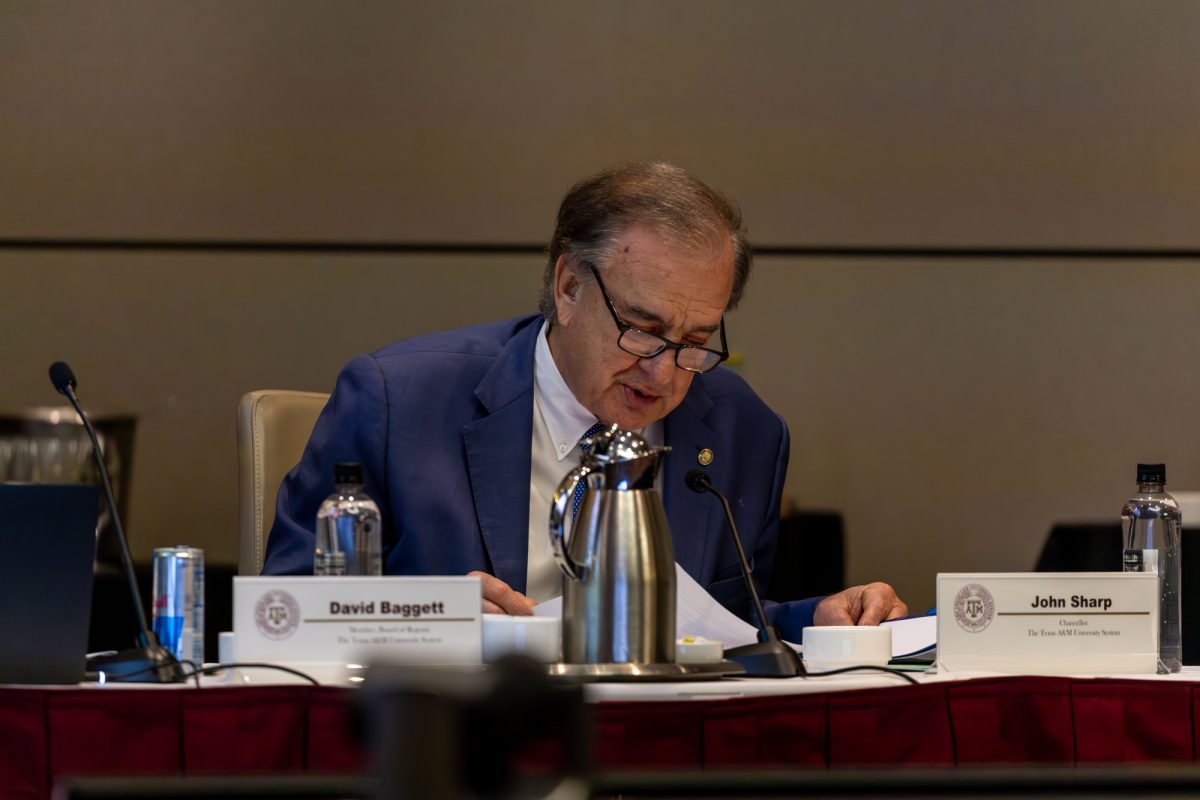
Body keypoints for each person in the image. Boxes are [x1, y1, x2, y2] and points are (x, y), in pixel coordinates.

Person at [261, 162, 906, 641]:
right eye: (643, 330)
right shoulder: (396, 401)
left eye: (694, 340)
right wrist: (431, 616)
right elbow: (281, 611)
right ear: (568, 286)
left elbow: (728, 626)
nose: (662, 371)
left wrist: (818, 623)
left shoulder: (744, 430)